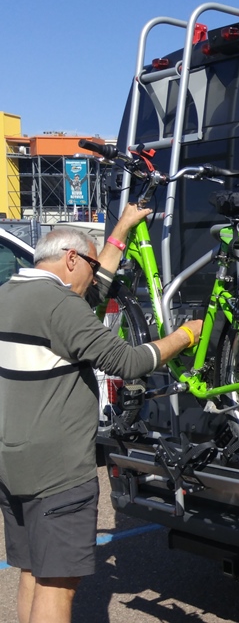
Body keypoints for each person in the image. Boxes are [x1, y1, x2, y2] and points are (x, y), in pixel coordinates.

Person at [0, 205, 203, 623]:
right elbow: (128, 362)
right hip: (56, 472)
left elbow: (92, 292)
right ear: (71, 259)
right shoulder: (59, 307)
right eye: (91, 268)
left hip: (13, 462)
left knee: (33, 570)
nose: (96, 279)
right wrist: (187, 335)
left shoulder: (9, 294)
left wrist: (121, 230)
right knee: (58, 583)